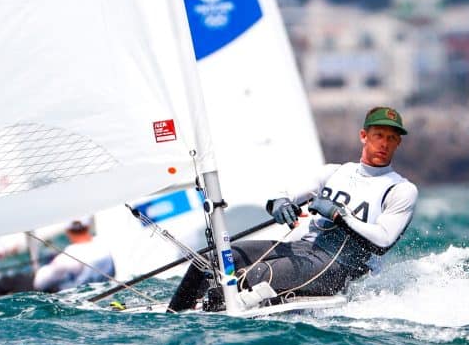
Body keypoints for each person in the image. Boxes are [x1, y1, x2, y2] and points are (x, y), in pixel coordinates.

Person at [167, 106, 419, 312]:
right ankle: (173, 321)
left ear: (398, 143)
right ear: (364, 136)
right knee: (212, 259)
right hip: (304, 250)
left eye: (392, 138)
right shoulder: (334, 172)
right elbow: (285, 193)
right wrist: (279, 204)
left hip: (343, 268)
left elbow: (383, 241)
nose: (384, 143)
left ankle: (214, 311)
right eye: (379, 135)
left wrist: (338, 215)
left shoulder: (401, 190)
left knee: (254, 276)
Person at [32, 219, 115, 293]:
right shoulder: (104, 244)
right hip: (107, 291)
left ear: (67, 231)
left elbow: (39, 283)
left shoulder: (66, 258)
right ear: (88, 226)